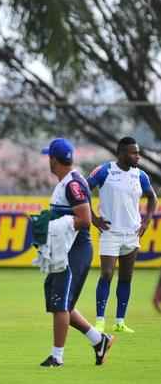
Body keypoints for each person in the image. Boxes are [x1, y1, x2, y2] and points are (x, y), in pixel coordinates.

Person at [39, 138, 113, 367]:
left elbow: (84, 219)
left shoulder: (72, 184)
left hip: (75, 250)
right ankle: (99, 340)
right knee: (59, 301)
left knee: (61, 303)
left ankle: (57, 357)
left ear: (53, 160)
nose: (48, 162)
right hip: (65, 248)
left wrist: (54, 226)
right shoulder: (67, 182)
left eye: (49, 158)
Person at [88, 137, 158, 333]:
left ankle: (120, 322)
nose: (137, 156)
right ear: (121, 153)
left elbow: (152, 197)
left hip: (132, 234)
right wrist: (94, 219)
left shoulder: (140, 175)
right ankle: (100, 320)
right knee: (107, 274)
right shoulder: (105, 171)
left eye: (137, 152)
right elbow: (83, 190)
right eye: (133, 152)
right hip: (110, 232)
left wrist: (146, 221)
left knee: (126, 277)